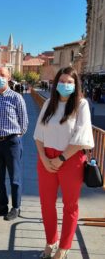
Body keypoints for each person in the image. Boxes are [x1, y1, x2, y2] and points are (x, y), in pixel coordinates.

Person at [34, 66, 94, 259]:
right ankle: (51, 241)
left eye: (70, 82)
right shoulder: (49, 104)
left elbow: (81, 137)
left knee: (70, 205)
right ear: (56, 83)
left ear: (76, 85)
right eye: (62, 81)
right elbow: (38, 134)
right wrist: (44, 157)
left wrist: (60, 159)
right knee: (46, 204)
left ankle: (64, 247)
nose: (65, 85)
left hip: (71, 159)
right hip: (46, 158)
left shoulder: (81, 104)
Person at [0, 67, 28, 221]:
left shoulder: (16, 98)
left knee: (14, 178)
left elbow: (24, 123)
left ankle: (15, 207)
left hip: (12, 142)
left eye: (2, 75)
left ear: (9, 77)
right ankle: (2, 205)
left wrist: (15, 136)